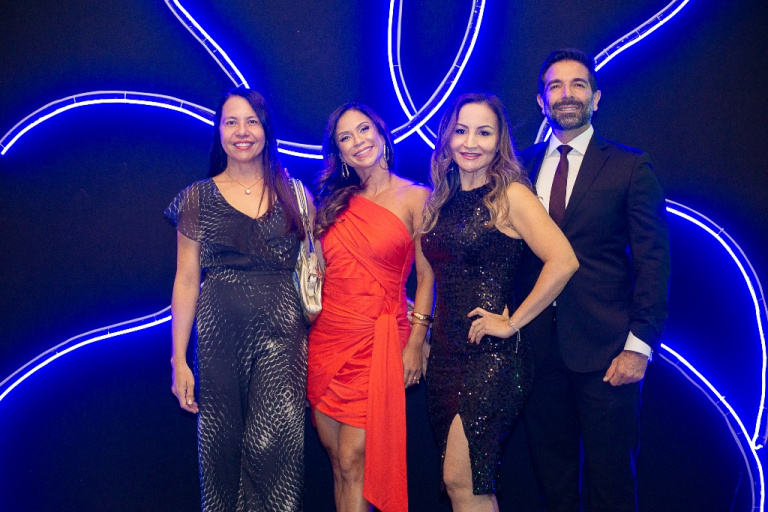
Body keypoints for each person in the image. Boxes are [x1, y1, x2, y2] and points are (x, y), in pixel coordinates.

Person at [517, 49, 671, 511]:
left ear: (596, 98)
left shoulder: (629, 166)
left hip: (609, 354)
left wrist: (639, 347)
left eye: (578, 84)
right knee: (553, 486)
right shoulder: (517, 169)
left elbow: (653, 261)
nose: (567, 94)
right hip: (537, 354)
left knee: (611, 486)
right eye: (556, 86)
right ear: (541, 100)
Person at [420, 92, 579, 511]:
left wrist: (512, 322)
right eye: (461, 130)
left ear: (499, 141)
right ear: (447, 137)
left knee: (464, 479)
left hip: (491, 358)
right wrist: (423, 336)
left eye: (484, 132)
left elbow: (563, 261)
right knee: (464, 483)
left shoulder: (511, 195)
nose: (471, 142)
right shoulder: (440, 199)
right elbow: (433, 278)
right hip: (445, 357)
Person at [166, 86, 311, 511]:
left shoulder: (296, 194)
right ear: (219, 131)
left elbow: (321, 267)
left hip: (284, 337)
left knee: (278, 448)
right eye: (231, 122)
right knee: (221, 447)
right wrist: (178, 359)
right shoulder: (196, 197)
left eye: (251, 121)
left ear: (266, 130)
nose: (242, 131)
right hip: (218, 337)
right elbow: (186, 280)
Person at [307, 102, 434, 512]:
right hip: (328, 340)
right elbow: (317, 270)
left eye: (364, 130)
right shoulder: (332, 203)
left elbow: (428, 278)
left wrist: (417, 340)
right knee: (338, 462)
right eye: (345, 137)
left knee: (354, 458)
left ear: (381, 134)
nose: (358, 141)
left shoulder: (417, 197)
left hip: (379, 341)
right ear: (339, 153)